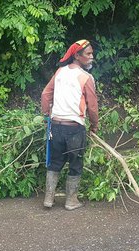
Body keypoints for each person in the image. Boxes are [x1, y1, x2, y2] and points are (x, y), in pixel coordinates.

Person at [41, 39, 99, 210]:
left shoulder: (59, 72)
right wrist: (94, 126)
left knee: (55, 162)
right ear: (77, 56)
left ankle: (49, 199)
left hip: (56, 127)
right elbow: (93, 107)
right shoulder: (86, 78)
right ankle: (71, 200)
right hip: (74, 129)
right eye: (88, 54)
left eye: (92, 54)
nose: (91, 57)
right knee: (75, 163)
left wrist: (47, 115)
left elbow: (45, 95)